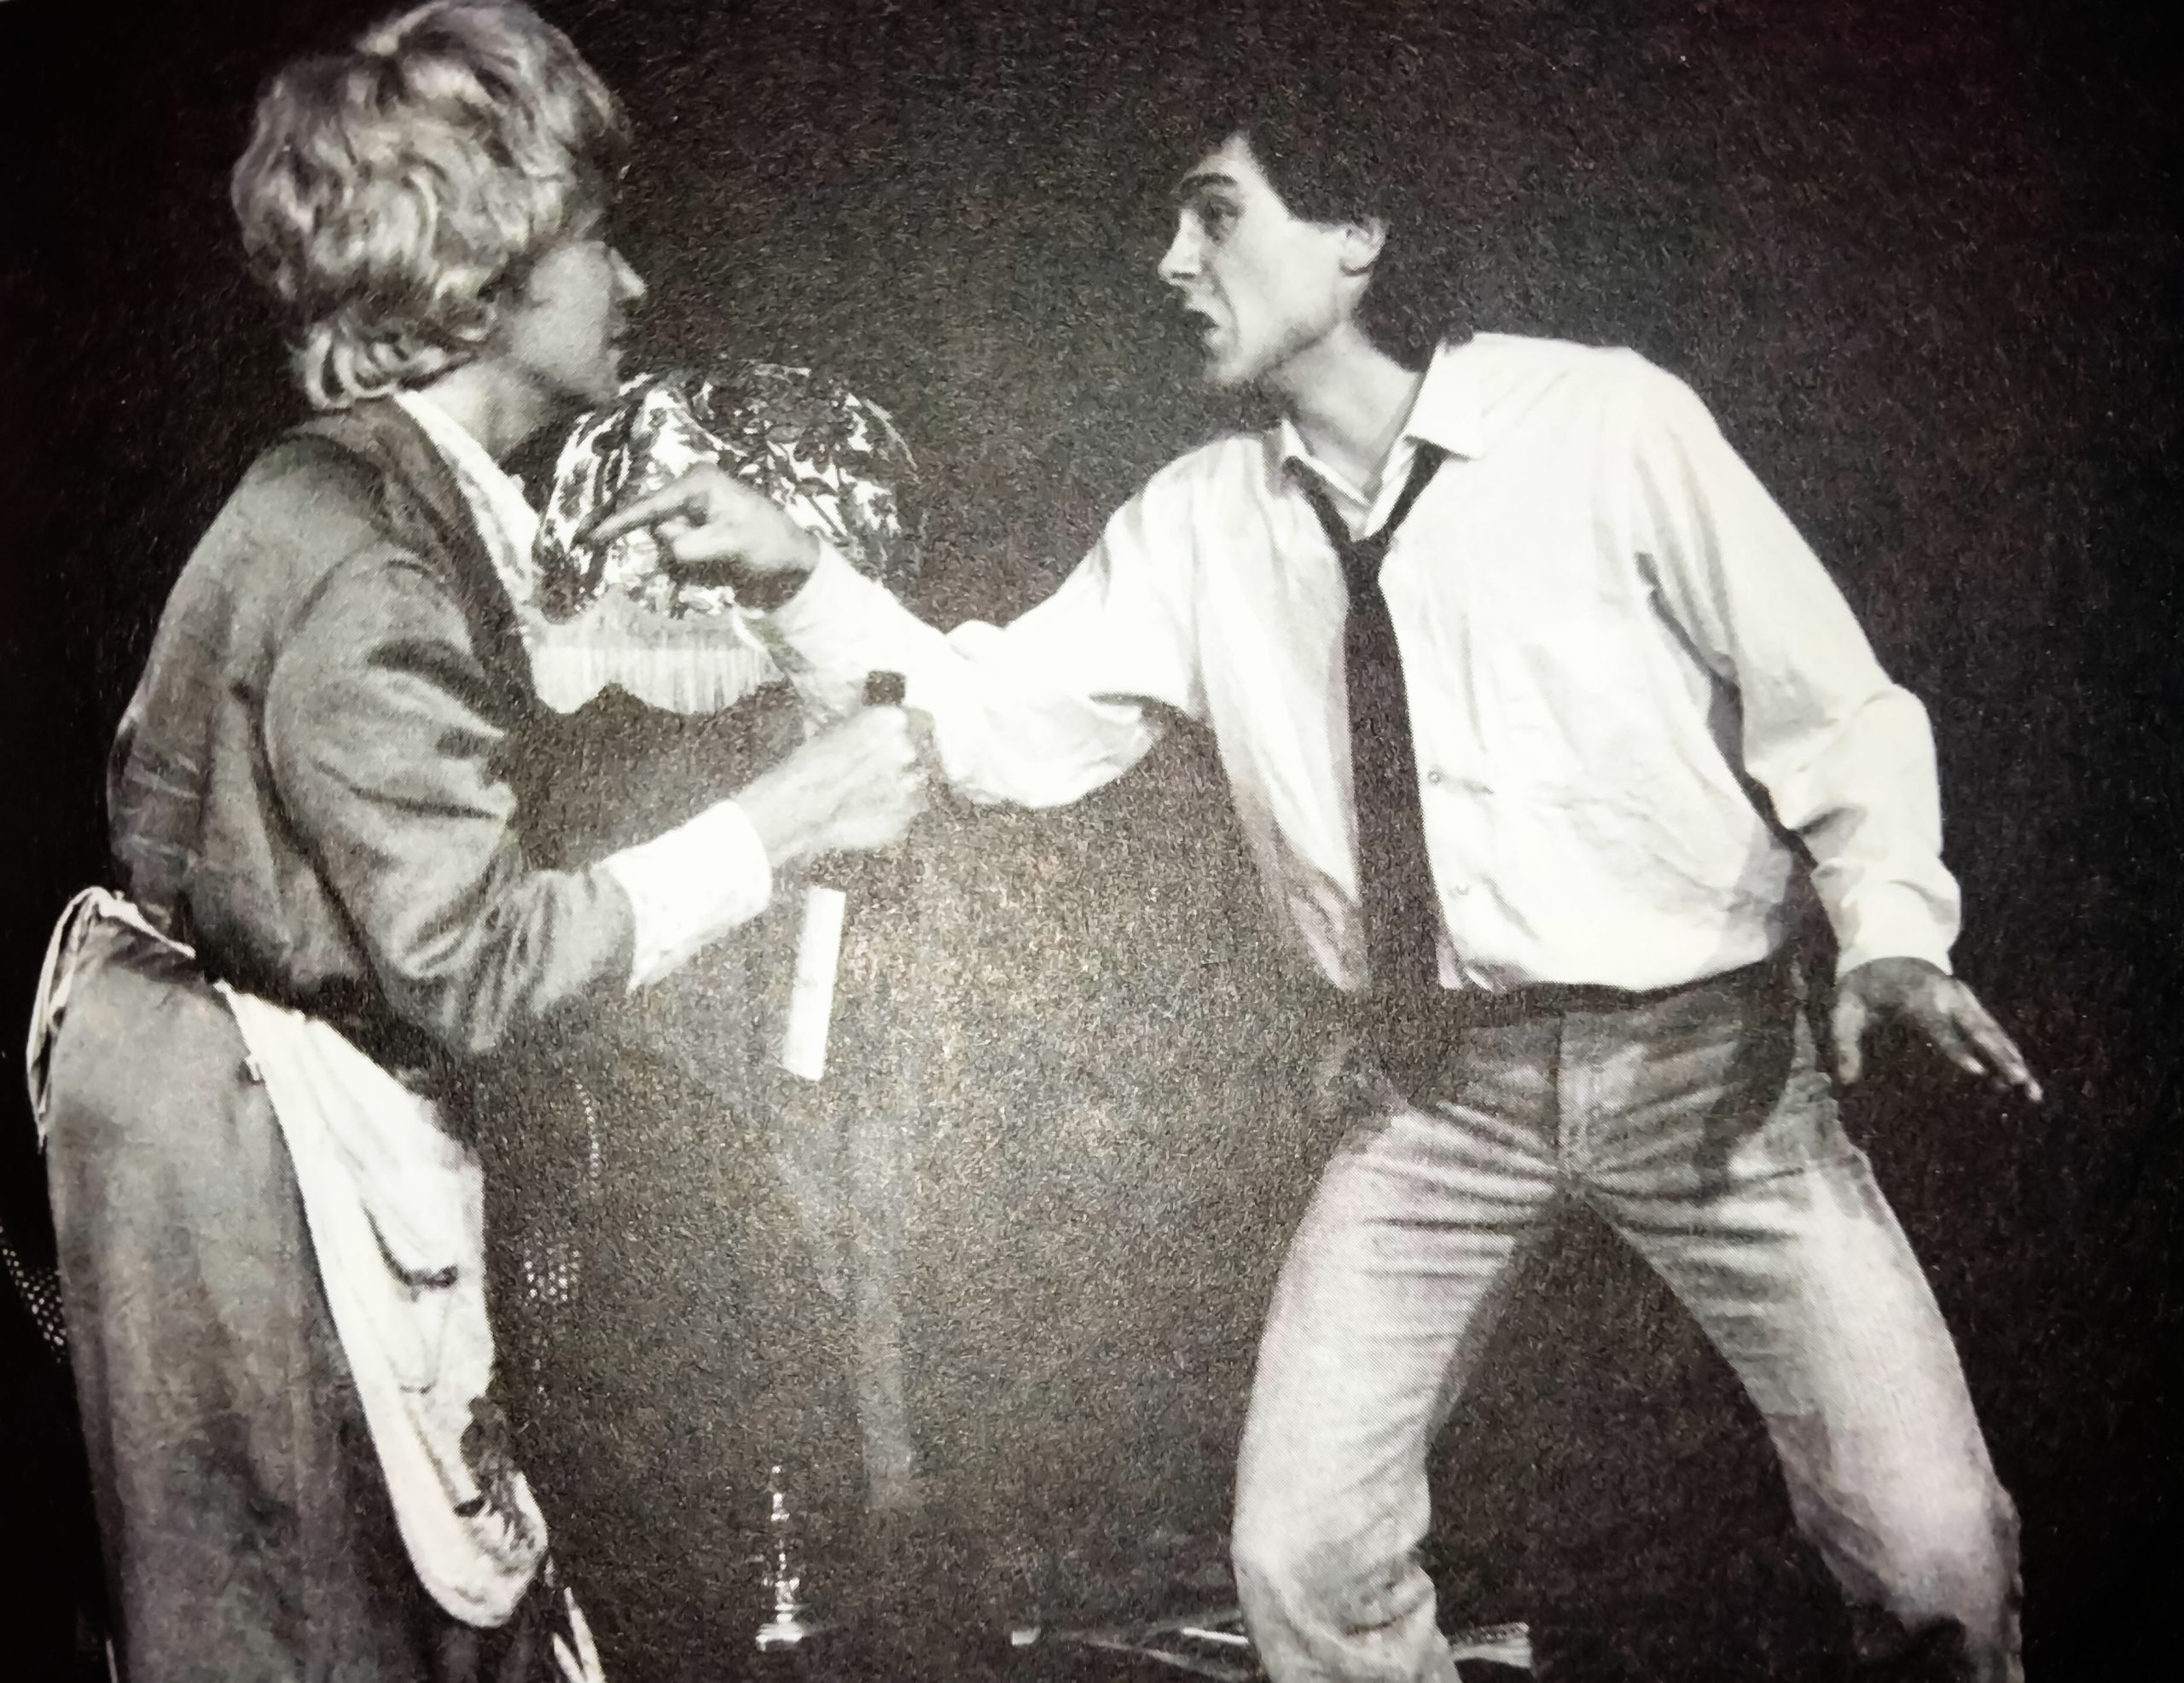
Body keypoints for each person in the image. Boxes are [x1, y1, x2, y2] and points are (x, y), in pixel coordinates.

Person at [586, 85, 2040, 1683]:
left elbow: (1832, 706)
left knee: (1938, 1554)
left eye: (1215, 214)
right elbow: (993, 728)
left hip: (1715, 1076)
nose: (1170, 259)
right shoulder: (1203, 523)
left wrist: (1893, 931)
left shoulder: (1608, 425)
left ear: (1356, 236)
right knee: (1303, 1561)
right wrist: (797, 574)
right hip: (1438, 1095)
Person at [26, 6, 925, 1680]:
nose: (632, 283)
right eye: (598, 241)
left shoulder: (381, 501)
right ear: (488, 271)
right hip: (259, 1170)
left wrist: (736, 659)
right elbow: (471, 959)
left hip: (241, 1130)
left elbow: (463, 782)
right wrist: (782, 821)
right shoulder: (363, 550)